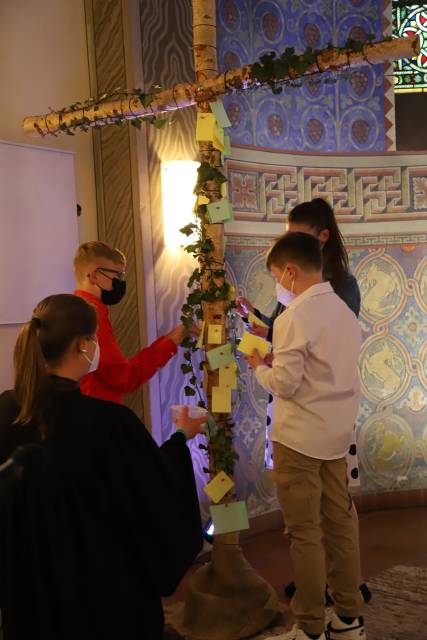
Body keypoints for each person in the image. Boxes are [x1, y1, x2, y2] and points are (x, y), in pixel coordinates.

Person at [0, 294, 205, 640]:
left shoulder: (6, 410)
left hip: (30, 592)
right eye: (95, 339)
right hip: (101, 598)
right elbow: (153, 492)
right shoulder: (108, 422)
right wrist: (180, 438)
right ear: (83, 345)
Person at [246, 232, 365, 640]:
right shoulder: (343, 311)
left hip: (298, 440)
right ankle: (349, 620)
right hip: (336, 436)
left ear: (291, 272)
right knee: (340, 525)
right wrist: (279, 360)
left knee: (304, 533)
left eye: (277, 275)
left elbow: (287, 384)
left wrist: (258, 365)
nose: (278, 283)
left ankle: (310, 627)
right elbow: (325, 370)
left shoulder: (294, 315)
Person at [73, 241, 198, 403]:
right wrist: (171, 341)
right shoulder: (91, 315)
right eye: (117, 276)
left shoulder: (76, 310)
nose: (122, 282)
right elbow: (124, 378)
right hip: (97, 416)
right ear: (95, 275)